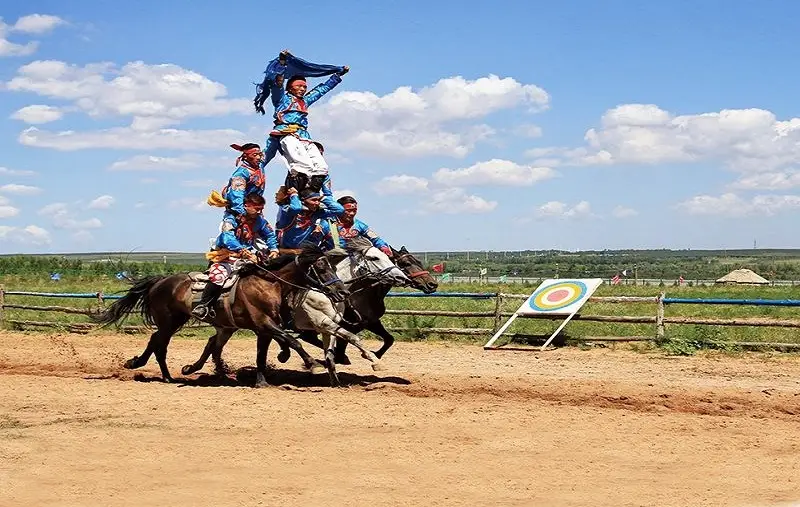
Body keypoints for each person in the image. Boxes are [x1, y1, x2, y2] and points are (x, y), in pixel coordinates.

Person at [264, 55, 349, 194]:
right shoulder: (282, 99)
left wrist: (337, 76)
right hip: (287, 133)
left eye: (304, 86)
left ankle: (312, 194)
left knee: (321, 166)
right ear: (290, 87)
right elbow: (277, 85)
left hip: (304, 136)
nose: (303, 89)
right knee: (301, 165)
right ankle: (294, 193)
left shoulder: (305, 100)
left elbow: (321, 90)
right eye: (299, 86)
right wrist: (282, 63)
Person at [192, 193, 279, 320]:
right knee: (218, 276)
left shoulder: (260, 221)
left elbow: (269, 235)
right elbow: (227, 237)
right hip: (226, 257)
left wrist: (274, 249)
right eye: (257, 208)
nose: (260, 211)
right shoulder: (231, 218)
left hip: (247, 258)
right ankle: (203, 305)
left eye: (261, 209)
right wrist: (241, 249)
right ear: (246, 205)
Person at [207, 143, 266, 217]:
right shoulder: (241, 174)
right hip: (240, 212)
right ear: (246, 157)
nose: (258, 157)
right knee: (229, 227)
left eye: (259, 155)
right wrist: (243, 213)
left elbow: (269, 150)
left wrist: (274, 137)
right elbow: (236, 195)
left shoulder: (259, 165)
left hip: (255, 210)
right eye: (254, 155)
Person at [275, 187, 345, 250]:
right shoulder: (287, 209)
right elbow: (296, 208)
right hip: (283, 250)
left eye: (318, 200)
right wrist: (294, 194)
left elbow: (339, 210)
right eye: (314, 200)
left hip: (300, 252)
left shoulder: (315, 214)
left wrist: (323, 198)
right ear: (303, 200)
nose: (317, 203)